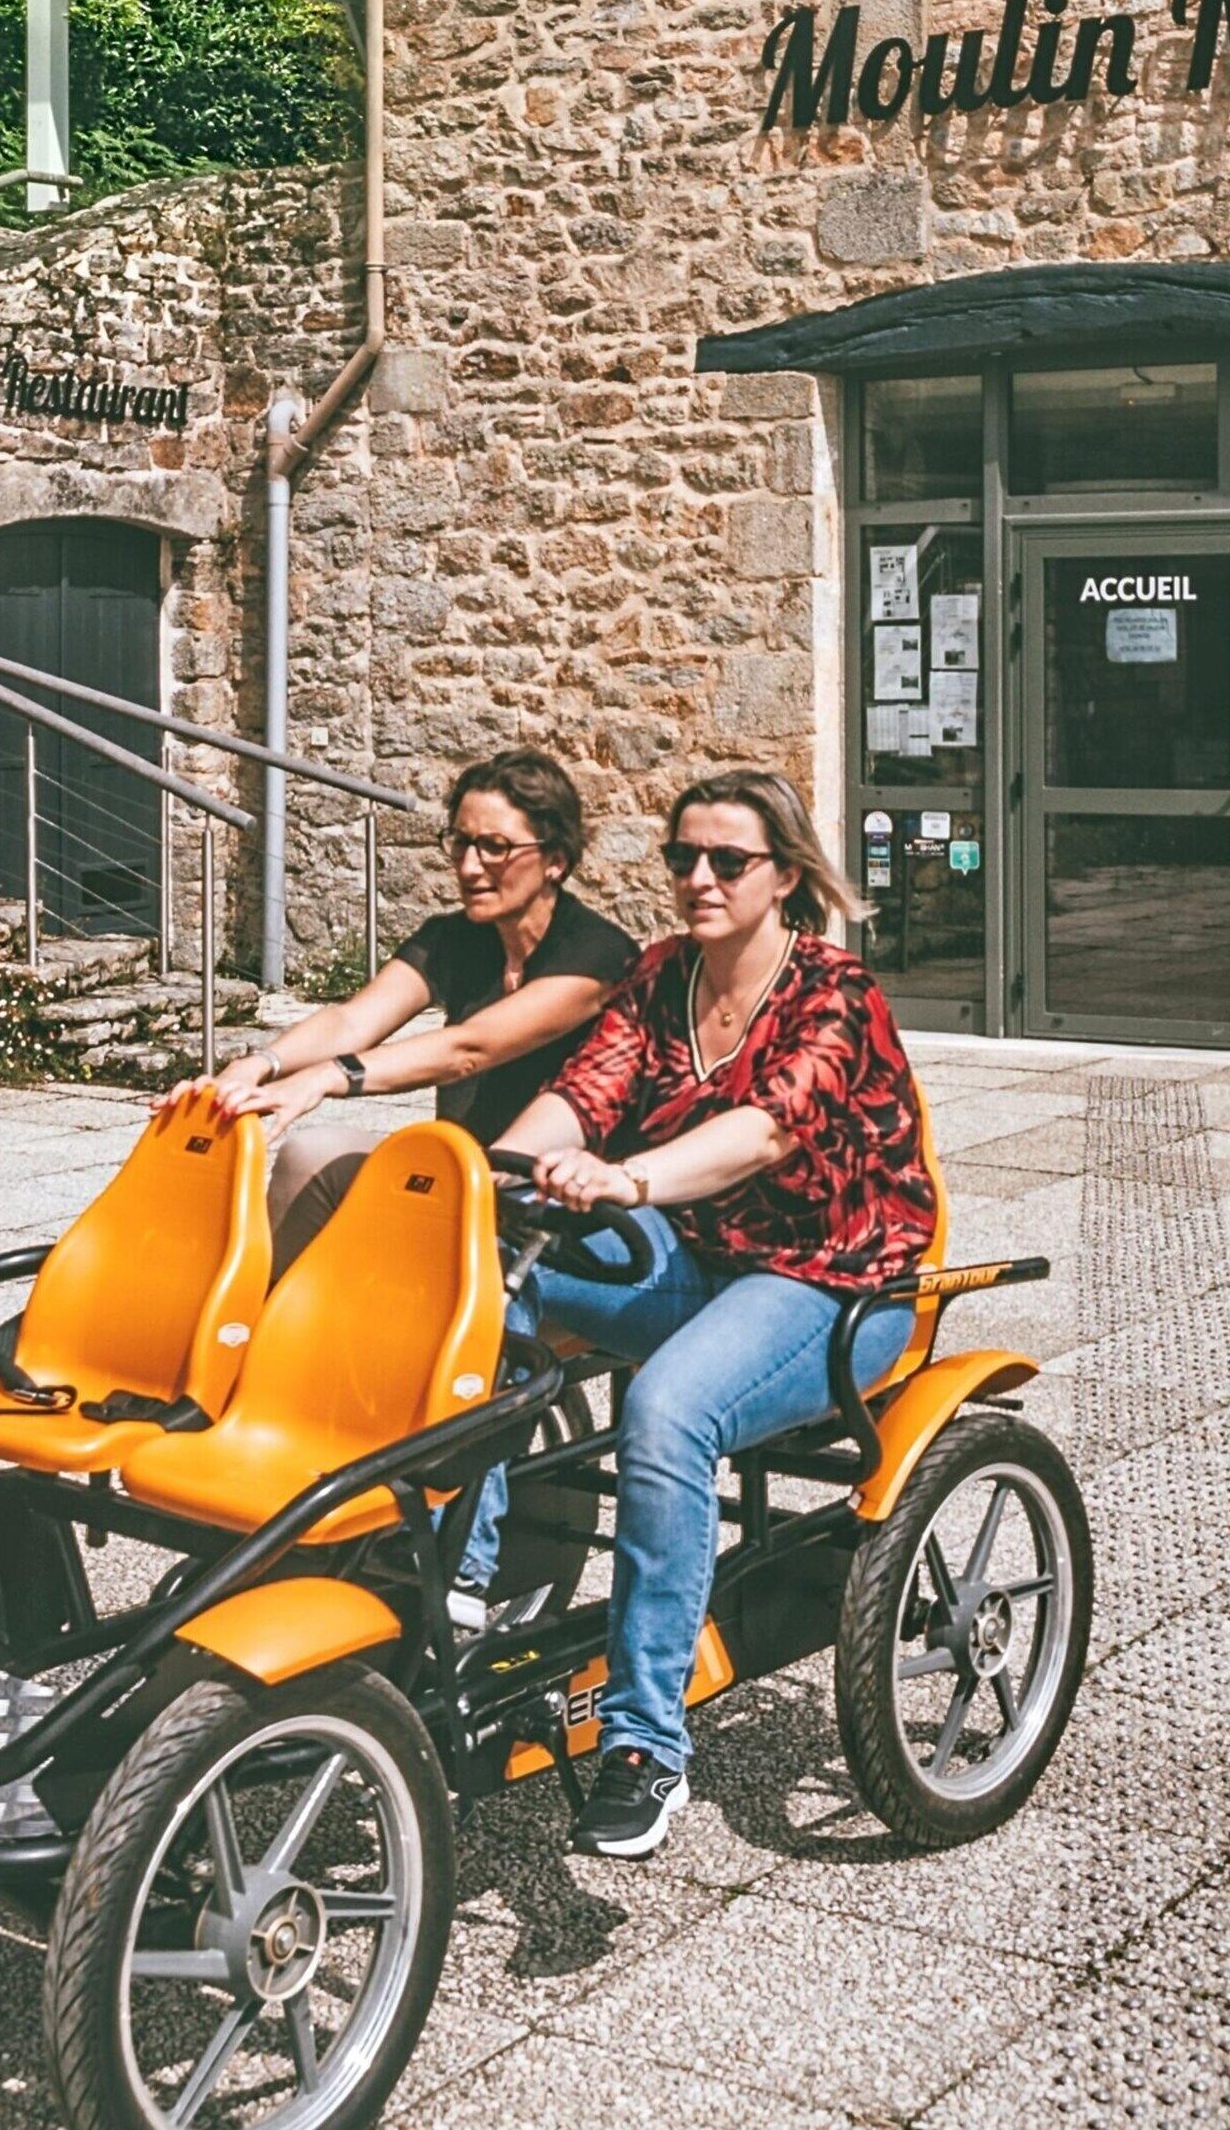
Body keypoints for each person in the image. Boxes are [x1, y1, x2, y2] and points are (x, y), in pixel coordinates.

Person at [490, 766, 938, 1861]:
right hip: (702, 1260)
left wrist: (629, 1179)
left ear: (784, 875)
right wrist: (496, 1168)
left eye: (727, 860)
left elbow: (767, 1130)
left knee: (669, 1412)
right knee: (480, 1278)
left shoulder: (834, 991)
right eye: (682, 857)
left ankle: (644, 1746)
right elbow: (584, 1092)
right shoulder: (662, 978)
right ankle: (460, 1576)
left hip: (836, 1281)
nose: (699, 877)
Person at [183, 748, 635, 1280]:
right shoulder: (455, 937)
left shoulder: (596, 954)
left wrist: (326, 1078)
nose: (469, 866)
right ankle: (270, 1319)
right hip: (456, 1171)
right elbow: (352, 1021)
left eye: (494, 847)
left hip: (554, 1194)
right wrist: (257, 1067)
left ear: (555, 860)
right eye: (461, 842)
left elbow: (470, 1049)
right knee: (310, 1155)